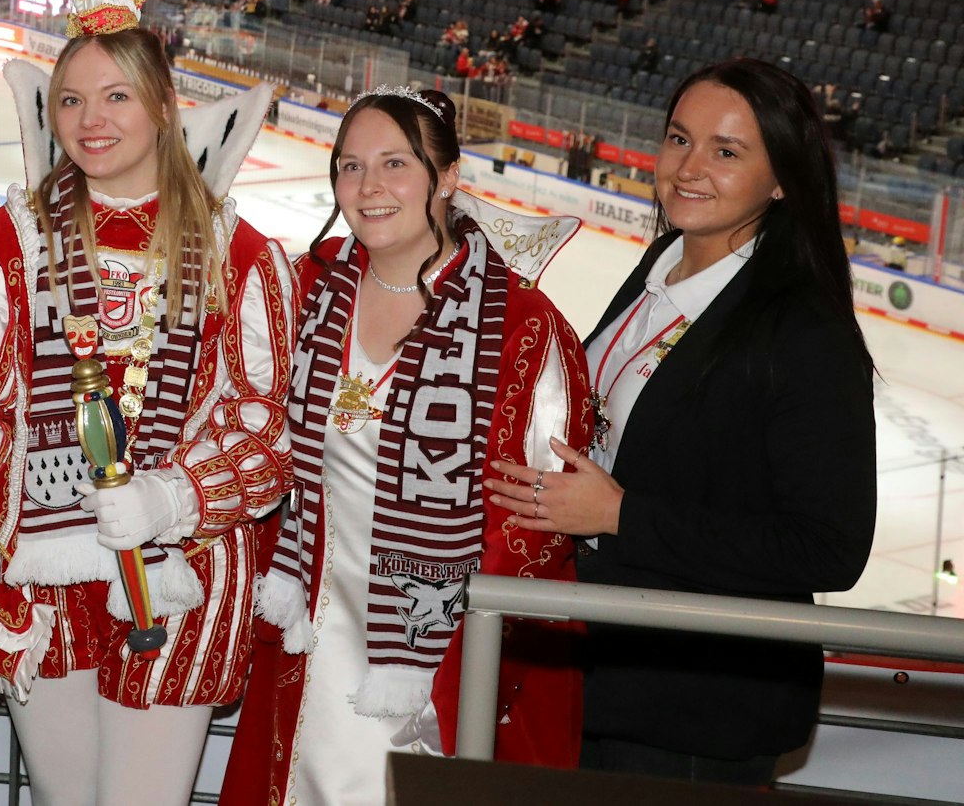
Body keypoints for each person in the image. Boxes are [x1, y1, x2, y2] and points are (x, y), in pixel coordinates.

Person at [0, 0, 296, 806]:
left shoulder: (242, 256)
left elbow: (265, 433)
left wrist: (172, 496)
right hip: (41, 581)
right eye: (72, 99)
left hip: (180, 576)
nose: (91, 119)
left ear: (164, 105)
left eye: (116, 96)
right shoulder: (7, 245)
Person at [489, 58, 876, 785]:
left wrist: (621, 514)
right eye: (678, 139)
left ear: (783, 177)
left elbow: (830, 547)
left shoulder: (804, 330)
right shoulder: (662, 261)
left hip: (698, 703)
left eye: (726, 151)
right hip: (598, 673)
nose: (689, 167)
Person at [223, 86, 592, 806]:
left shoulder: (520, 324)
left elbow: (534, 521)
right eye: (350, 166)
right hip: (314, 621)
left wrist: (445, 651)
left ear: (448, 175)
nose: (369, 187)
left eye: (395, 162)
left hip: (439, 648)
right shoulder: (307, 290)